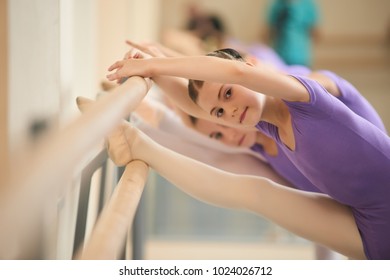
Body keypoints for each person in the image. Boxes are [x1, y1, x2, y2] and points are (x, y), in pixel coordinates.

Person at [106, 46, 390, 260]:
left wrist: (157, 63)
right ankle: (136, 142)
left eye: (228, 94)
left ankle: (137, 142)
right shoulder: (265, 124)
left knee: (255, 191)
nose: (228, 111)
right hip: (366, 223)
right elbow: (195, 108)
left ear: (253, 67)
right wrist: (153, 73)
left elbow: (236, 72)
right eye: (219, 112)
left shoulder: (305, 97)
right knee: (256, 192)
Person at [264, 0, 320, 66]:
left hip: (301, 57)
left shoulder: (307, 4)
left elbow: (316, 32)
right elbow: (268, 32)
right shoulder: (277, 4)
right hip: (279, 56)